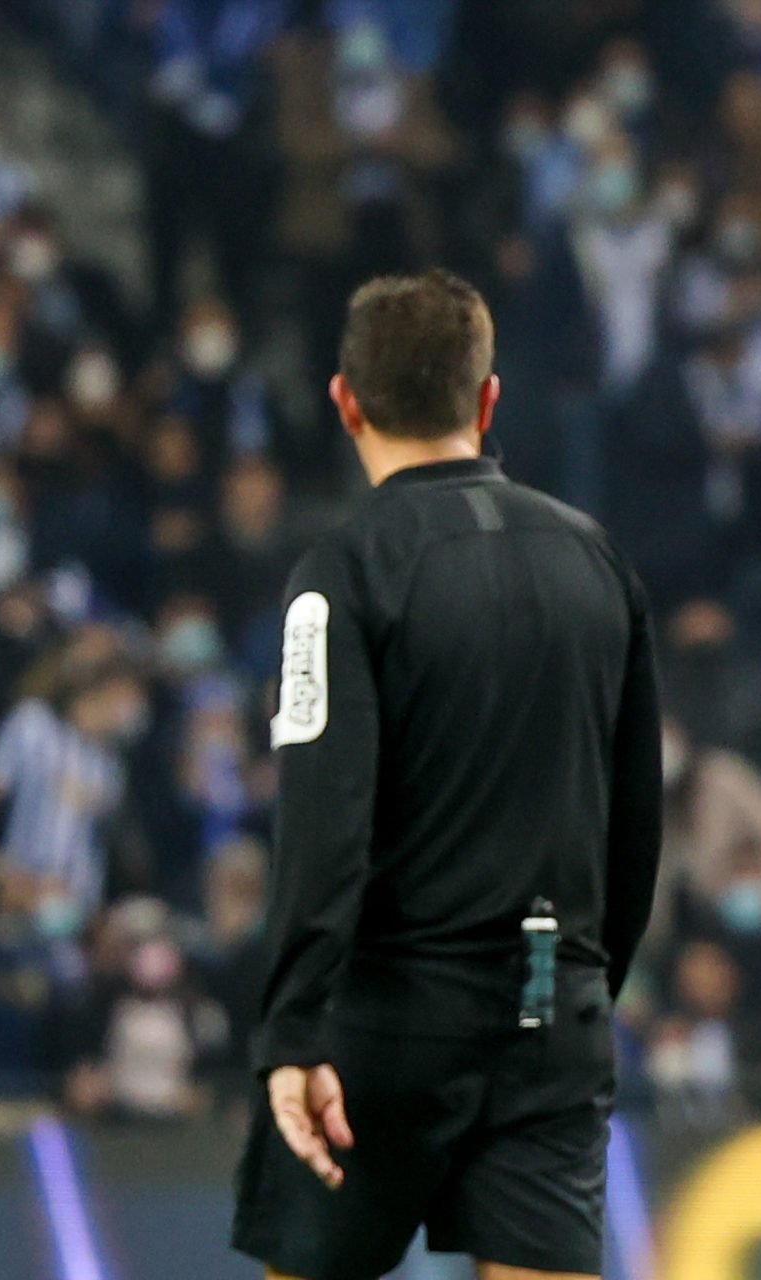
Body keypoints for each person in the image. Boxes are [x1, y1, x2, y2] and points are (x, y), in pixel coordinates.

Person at [230, 269, 662, 1280]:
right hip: (554, 1004)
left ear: (345, 402)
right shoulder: (598, 561)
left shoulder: (338, 575)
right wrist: (589, 987)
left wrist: (292, 1027)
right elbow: (635, 816)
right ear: (488, 398)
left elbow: (324, 818)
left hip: (381, 1024)